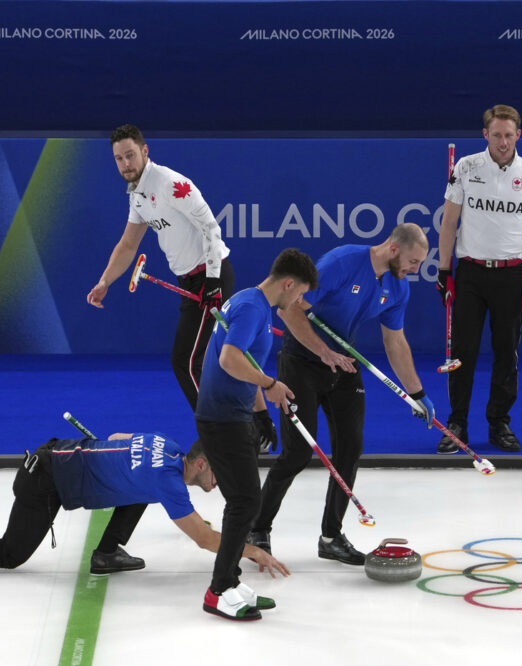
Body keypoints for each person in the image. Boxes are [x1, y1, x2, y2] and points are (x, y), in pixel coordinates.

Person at [247, 223, 434, 567]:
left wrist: (417, 394)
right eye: (413, 261)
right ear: (394, 249)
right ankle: (257, 529)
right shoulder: (343, 262)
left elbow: (395, 342)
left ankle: (331, 537)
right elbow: (289, 309)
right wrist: (323, 352)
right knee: (298, 453)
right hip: (301, 360)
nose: (415, 270)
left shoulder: (397, 287)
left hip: (344, 365)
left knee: (350, 449)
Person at [0, 433, 289, 589]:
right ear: (200, 464)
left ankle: (106, 551)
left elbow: (116, 438)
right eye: (218, 473)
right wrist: (252, 549)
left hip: (57, 457)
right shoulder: (169, 481)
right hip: (44, 483)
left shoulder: (164, 447)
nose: (222, 482)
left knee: (139, 488)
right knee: (8, 555)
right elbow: (202, 540)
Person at [195, 248, 318, 621]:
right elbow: (229, 359)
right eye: (299, 295)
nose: (300, 302)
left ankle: (230, 582)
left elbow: (245, 361)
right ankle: (218, 590)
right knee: (246, 502)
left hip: (233, 414)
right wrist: (271, 385)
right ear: (288, 283)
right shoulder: (252, 308)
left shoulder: (253, 305)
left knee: (243, 501)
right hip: (221, 417)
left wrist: (262, 414)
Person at [87, 124, 235, 413]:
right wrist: (105, 282)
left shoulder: (170, 185)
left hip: (210, 276)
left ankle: (219, 433)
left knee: (186, 362)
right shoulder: (138, 195)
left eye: (130, 155)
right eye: (119, 158)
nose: (126, 164)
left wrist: (214, 281)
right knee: (207, 360)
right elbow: (128, 245)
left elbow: (211, 229)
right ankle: (238, 425)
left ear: (145, 151)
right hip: (188, 282)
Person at [435, 104, 522, 454]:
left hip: (512, 275)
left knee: (506, 352)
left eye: (509, 135)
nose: (503, 141)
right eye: (496, 134)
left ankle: (499, 422)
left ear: (519, 135)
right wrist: (444, 271)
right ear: (485, 134)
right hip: (470, 274)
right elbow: (449, 223)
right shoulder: (466, 168)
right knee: (462, 352)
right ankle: (457, 423)